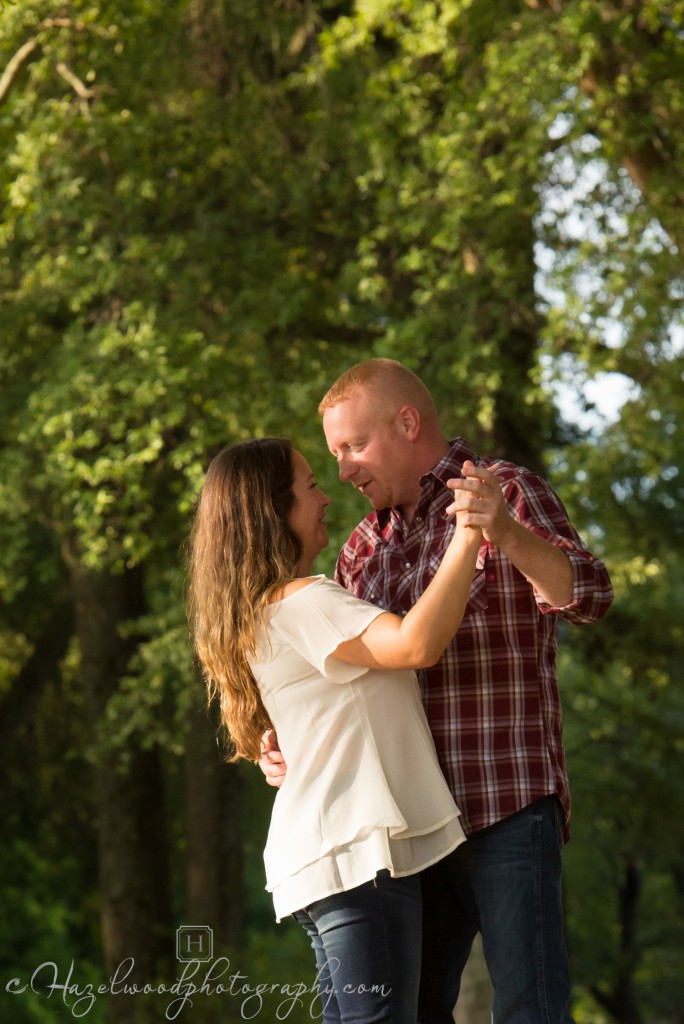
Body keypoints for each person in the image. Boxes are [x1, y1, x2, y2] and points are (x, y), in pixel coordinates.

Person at [260, 359, 614, 1024]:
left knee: (529, 1009)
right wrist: (276, 738)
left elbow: (589, 596)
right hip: (409, 830)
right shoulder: (360, 548)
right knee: (415, 1012)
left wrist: (503, 531)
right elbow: (342, 672)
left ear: (407, 422)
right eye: (333, 455)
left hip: (504, 801)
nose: (343, 471)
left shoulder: (504, 487)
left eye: (353, 446)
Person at [187, 436, 484, 1024]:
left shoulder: (268, 610)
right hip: (355, 855)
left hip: (333, 857)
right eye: (310, 485)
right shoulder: (304, 601)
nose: (326, 497)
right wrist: (470, 534)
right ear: (274, 510)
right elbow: (416, 644)